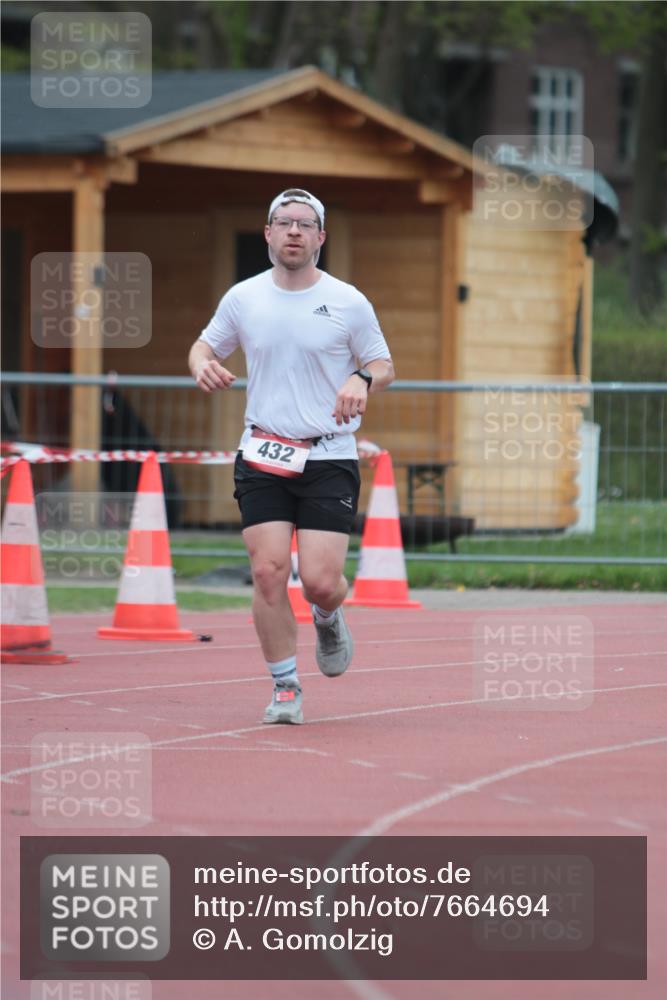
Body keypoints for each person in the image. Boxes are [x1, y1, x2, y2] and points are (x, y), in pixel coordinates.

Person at [189, 188, 394, 725]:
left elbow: (383, 364)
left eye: (306, 224)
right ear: (269, 234)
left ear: (321, 237)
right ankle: (284, 687)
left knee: (321, 580)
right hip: (263, 451)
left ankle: (328, 615)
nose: (295, 232)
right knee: (268, 571)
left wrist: (361, 377)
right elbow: (204, 346)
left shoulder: (348, 301)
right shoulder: (244, 298)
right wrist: (200, 364)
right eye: (285, 223)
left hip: (328, 454)